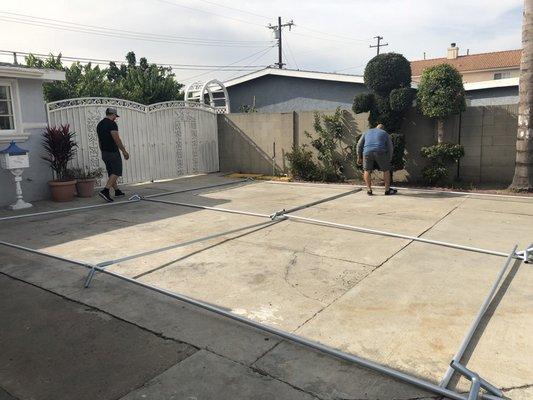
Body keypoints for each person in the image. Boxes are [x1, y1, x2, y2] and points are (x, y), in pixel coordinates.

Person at [96, 107, 129, 202]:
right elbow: (116, 138)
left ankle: (117, 191)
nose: (116, 118)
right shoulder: (112, 124)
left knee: (111, 172)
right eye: (115, 116)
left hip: (104, 152)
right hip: (113, 152)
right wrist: (124, 151)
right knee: (117, 171)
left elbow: (99, 140)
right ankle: (105, 191)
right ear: (113, 115)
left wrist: (102, 150)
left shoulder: (100, 124)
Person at [356, 123, 397, 196]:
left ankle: (369, 190)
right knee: (386, 170)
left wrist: (359, 157)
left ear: (376, 127)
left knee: (367, 170)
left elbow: (359, 145)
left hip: (367, 152)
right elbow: (390, 148)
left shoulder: (367, 132)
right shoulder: (385, 133)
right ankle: (387, 190)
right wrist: (389, 159)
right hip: (380, 151)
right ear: (383, 129)